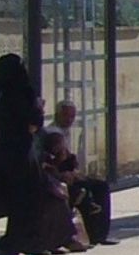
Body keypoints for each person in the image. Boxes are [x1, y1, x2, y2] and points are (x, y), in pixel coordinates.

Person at [0, 54, 44, 255]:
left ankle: (13, 242)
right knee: (25, 198)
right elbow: (33, 123)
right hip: (22, 152)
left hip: (4, 151)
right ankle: (17, 245)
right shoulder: (22, 92)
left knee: (13, 197)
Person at [47, 100, 117, 246]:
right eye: (66, 116)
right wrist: (65, 175)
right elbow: (54, 162)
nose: (69, 120)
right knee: (87, 191)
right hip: (57, 178)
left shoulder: (65, 132)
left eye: (72, 117)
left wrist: (74, 172)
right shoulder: (52, 133)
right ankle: (95, 234)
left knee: (100, 186)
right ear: (56, 115)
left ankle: (99, 234)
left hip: (68, 175)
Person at [37, 128, 92, 253]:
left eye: (61, 143)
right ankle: (65, 238)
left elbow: (73, 166)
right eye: (56, 144)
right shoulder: (44, 156)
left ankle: (92, 233)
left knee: (94, 187)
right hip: (50, 185)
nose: (59, 147)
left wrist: (71, 173)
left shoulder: (65, 154)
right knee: (61, 197)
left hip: (62, 183)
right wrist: (60, 175)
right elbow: (46, 171)